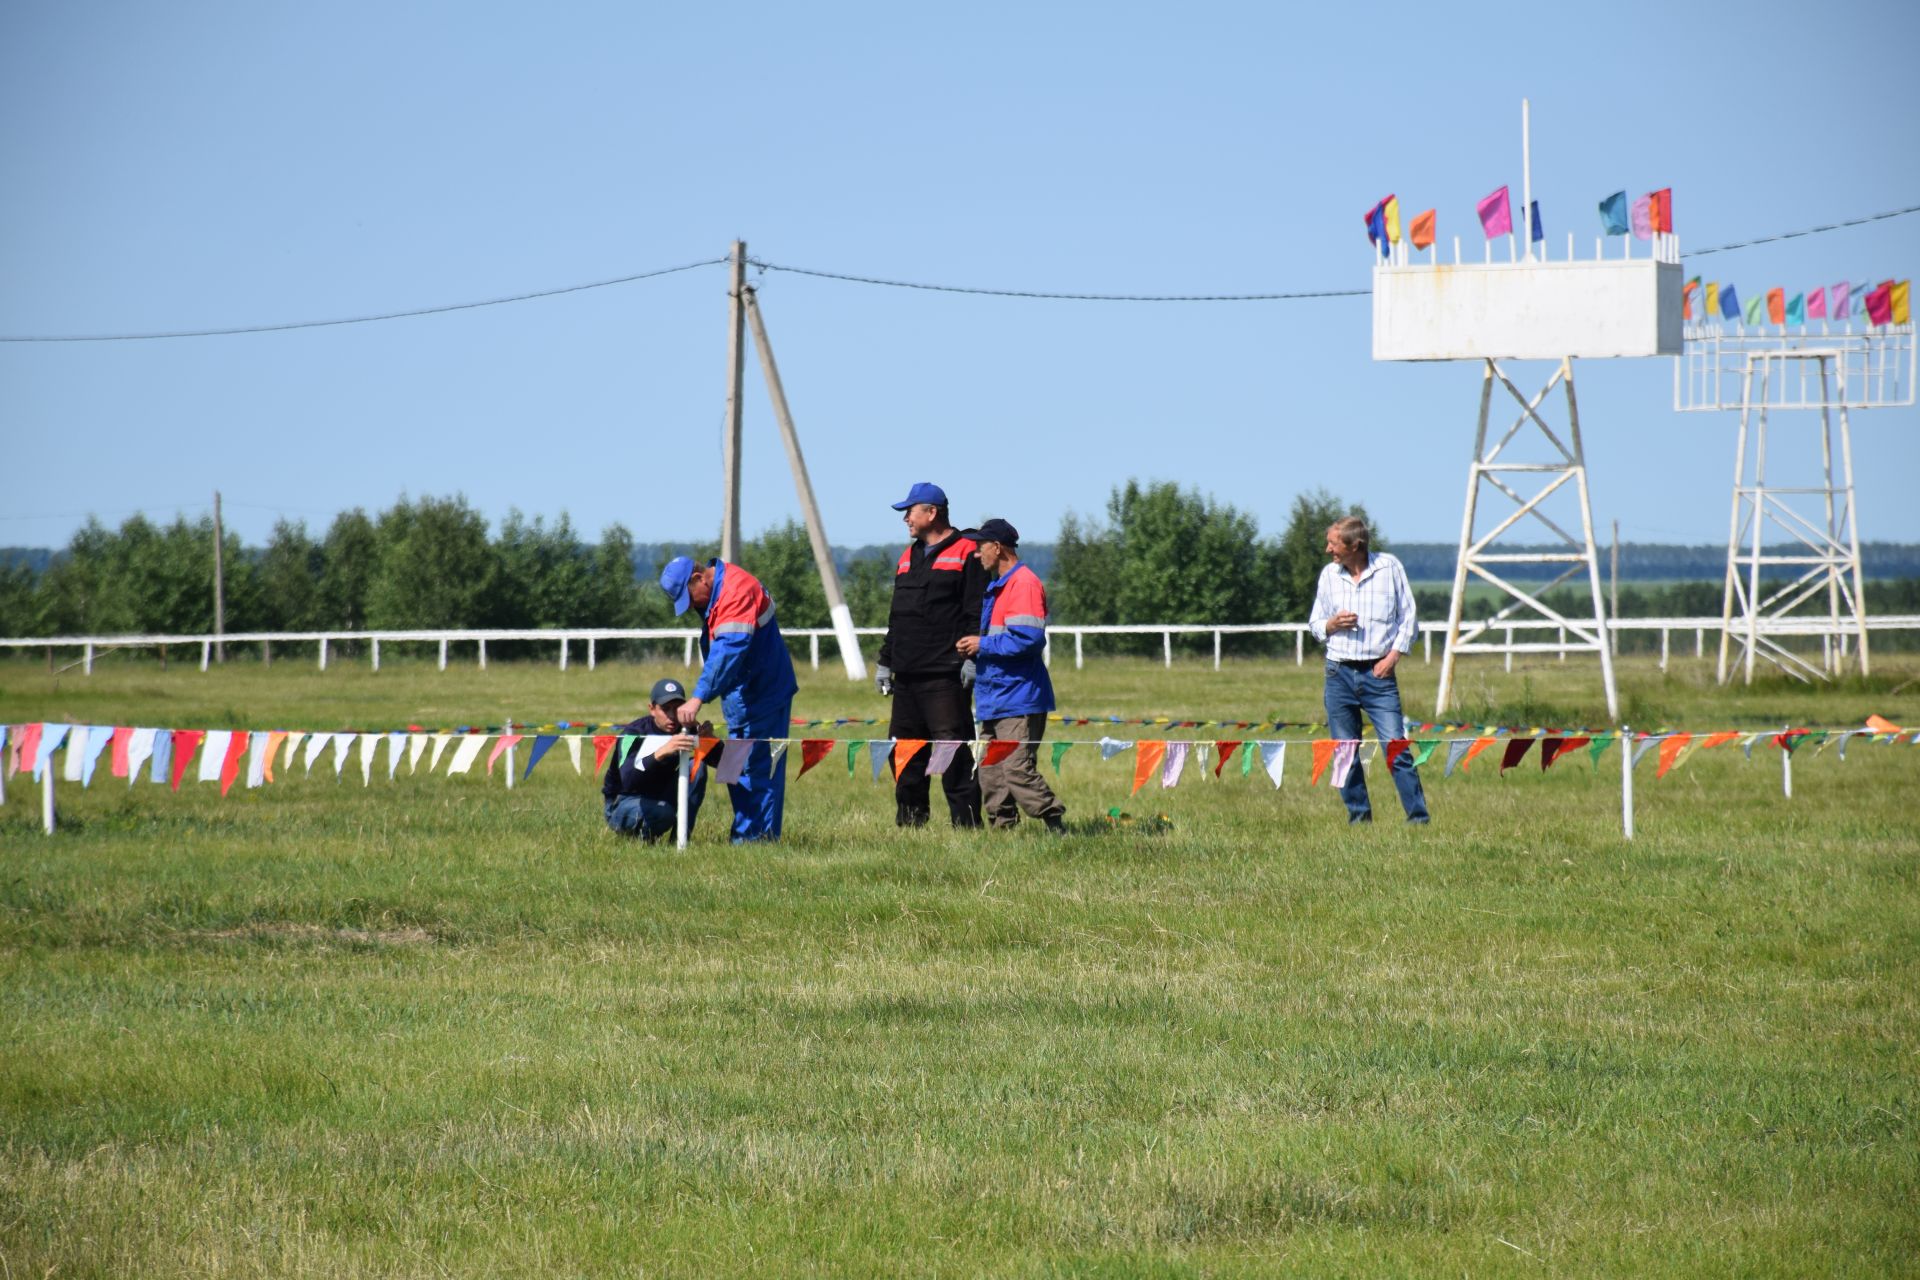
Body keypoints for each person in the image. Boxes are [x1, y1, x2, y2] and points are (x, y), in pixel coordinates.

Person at [657, 554, 800, 842]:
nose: (692, 607)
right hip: (741, 694)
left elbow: (729, 651)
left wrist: (698, 698)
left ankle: (757, 842)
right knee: (736, 768)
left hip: (763, 695)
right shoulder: (716, 592)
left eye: (690, 598)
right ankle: (745, 835)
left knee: (759, 770)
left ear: (699, 578)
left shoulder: (736, 591)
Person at [1308, 515, 1431, 825]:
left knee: (1396, 749)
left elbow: (1409, 619)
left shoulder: (1390, 568)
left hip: (1380, 677)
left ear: (1355, 545)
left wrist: (1393, 657)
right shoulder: (1329, 576)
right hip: (1338, 675)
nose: (1328, 550)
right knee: (1344, 753)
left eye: (1333, 544)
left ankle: (1418, 820)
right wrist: (1331, 625)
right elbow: (1315, 624)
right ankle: (1359, 818)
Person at [875, 482, 984, 828]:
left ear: (932, 513)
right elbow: (897, 616)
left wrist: (971, 660)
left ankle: (966, 825)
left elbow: (975, 611)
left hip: (945, 675)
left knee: (953, 755)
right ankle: (911, 823)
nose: (906, 518)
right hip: (906, 675)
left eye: (911, 510)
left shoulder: (968, 551)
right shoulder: (908, 556)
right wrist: (885, 661)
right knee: (904, 755)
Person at [955, 518, 1066, 833]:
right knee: (990, 771)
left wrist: (982, 643)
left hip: (1020, 697)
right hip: (994, 696)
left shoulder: (1024, 584)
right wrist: (975, 654)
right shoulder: (998, 586)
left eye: (980, 548)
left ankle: (1055, 824)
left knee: (1016, 769)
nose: (977, 555)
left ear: (997, 547)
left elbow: (1029, 639)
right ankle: (1004, 832)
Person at [602, 676, 713, 841]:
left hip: (661, 797)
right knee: (663, 813)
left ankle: (680, 840)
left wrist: (710, 742)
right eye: (665, 708)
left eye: (677, 708)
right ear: (652, 709)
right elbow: (628, 781)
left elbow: (724, 765)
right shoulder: (632, 734)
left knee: (697, 767)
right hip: (624, 801)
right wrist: (662, 752)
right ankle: (644, 841)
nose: (672, 715)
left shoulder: (686, 728)